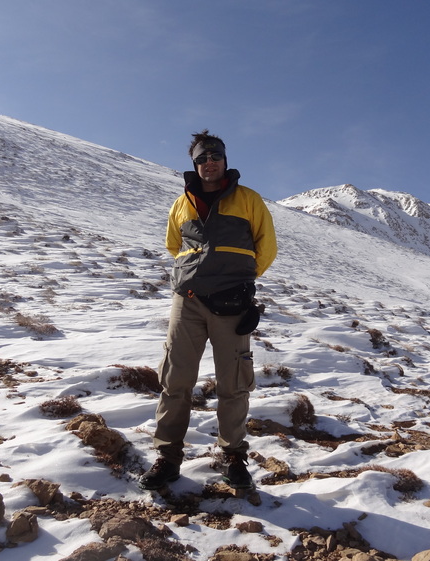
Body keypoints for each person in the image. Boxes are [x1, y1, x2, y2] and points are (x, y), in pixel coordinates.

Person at [140, 130, 278, 490]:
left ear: (224, 159)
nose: (208, 162)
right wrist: (197, 276)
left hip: (232, 303)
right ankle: (167, 458)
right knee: (175, 380)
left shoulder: (248, 200)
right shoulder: (181, 203)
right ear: (194, 164)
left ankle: (234, 456)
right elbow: (176, 246)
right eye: (201, 158)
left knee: (233, 383)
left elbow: (267, 247)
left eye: (213, 155)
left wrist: (241, 281)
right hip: (187, 301)